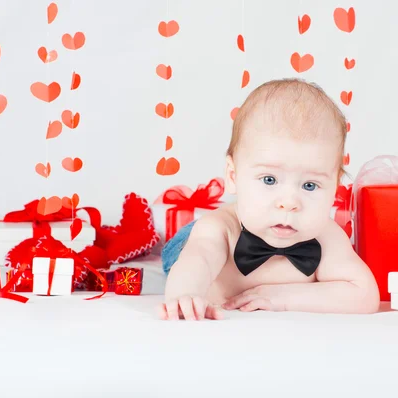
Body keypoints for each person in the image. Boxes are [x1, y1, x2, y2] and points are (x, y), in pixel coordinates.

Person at [159, 78, 379, 320]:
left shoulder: (327, 236)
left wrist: (280, 297)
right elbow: (198, 258)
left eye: (309, 185)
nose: (289, 203)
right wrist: (186, 293)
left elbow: (364, 294)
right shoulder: (220, 229)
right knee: (194, 248)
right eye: (269, 180)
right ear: (233, 176)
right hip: (191, 243)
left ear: (334, 188)